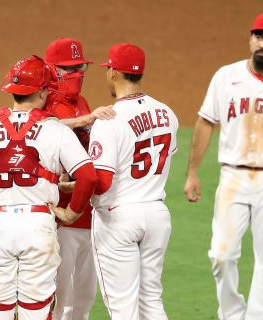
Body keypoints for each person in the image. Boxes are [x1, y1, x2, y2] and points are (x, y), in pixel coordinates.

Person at [183, 13, 263, 320]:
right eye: (258, 36)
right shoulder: (225, 76)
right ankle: (232, 314)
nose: (262, 44)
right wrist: (192, 172)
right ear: (250, 39)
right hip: (232, 177)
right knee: (221, 255)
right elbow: (206, 122)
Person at [0, 55, 97, 320]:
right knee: (36, 312)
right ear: (43, 92)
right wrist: (72, 212)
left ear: (13, 90)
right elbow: (88, 176)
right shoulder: (55, 130)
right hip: (39, 227)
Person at [88, 43, 179, 320]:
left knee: (123, 310)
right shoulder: (167, 113)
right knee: (151, 300)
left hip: (119, 219)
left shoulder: (109, 120)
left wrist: (68, 189)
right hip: (156, 215)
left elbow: (101, 182)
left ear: (114, 72)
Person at [43, 37, 115, 320]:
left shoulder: (82, 102)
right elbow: (44, 127)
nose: (77, 75)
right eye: (69, 69)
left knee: (84, 300)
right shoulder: (44, 103)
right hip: (60, 218)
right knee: (58, 300)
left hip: (88, 215)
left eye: (80, 67)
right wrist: (84, 121)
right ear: (52, 70)